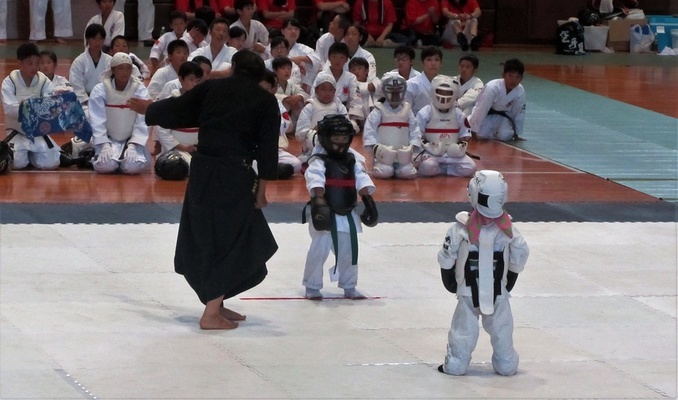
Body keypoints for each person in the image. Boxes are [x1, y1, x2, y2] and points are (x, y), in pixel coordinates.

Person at [129, 50, 280, 330]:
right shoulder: (266, 100)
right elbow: (268, 150)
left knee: (210, 234)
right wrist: (262, 190)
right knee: (232, 239)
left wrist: (149, 109)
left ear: (234, 67)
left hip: (203, 169)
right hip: (235, 174)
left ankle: (217, 303)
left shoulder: (213, 88)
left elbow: (179, 108)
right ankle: (211, 312)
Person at [437, 170, 529, 376]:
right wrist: (511, 277)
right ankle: (506, 363)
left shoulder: (460, 229)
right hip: (497, 291)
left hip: (469, 291)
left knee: (464, 329)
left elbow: (447, 255)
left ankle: (456, 363)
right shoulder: (508, 231)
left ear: (473, 194)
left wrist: (448, 277)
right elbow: (521, 254)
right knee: (501, 329)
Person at [302, 114, 377, 300]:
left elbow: (361, 177)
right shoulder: (319, 159)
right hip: (325, 211)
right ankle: (312, 286)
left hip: (347, 211)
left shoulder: (352, 159)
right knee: (319, 250)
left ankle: (349, 285)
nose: (341, 143)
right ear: (325, 138)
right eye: (336, 138)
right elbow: (315, 179)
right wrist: (319, 203)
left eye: (344, 138)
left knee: (349, 251)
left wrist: (368, 200)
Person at [88, 52, 151, 174]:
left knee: (132, 167)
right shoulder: (101, 89)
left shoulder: (139, 89)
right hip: (108, 138)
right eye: (121, 68)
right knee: (105, 166)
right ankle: (109, 156)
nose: (125, 72)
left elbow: (142, 119)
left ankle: (124, 158)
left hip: (131, 138)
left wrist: (133, 144)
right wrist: (104, 143)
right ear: (113, 70)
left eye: (128, 68)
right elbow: (96, 119)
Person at [1, 43, 59, 170]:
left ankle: (32, 154)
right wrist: (33, 107)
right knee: (17, 163)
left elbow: (50, 105)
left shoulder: (44, 81)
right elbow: (9, 109)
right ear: (20, 63)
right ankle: (26, 154)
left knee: (51, 162)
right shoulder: (10, 82)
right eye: (30, 63)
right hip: (16, 131)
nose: (34, 67)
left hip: (37, 131)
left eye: (37, 63)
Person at [362, 71, 421, 179]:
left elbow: (415, 131)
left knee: (408, 173)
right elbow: (369, 131)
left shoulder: (407, 110)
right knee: (385, 172)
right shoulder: (379, 110)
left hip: (404, 155)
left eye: (398, 90)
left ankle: (402, 166)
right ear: (383, 90)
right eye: (391, 90)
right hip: (383, 155)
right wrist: (375, 149)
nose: (395, 95)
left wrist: (413, 147)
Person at [416, 74, 476, 177]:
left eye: (448, 93)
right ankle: (442, 168)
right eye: (440, 92)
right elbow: (417, 135)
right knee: (427, 167)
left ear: (454, 94)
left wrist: (459, 146)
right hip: (431, 153)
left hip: (453, 154)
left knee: (471, 167)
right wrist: (429, 146)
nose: (444, 96)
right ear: (433, 92)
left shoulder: (458, 114)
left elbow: (465, 136)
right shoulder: (425, 112)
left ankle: (441, 170)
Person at [154, 61, 204, 180]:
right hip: (177, 150)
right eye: (191, 80)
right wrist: (183, 147)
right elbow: (162, 131)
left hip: (200, 150)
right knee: (175, 166)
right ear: (181, 79)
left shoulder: (205, 103)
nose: (195, 84)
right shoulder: (170, 102)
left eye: (198, 81)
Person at [295, 71, 352, 163]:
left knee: (355, 159)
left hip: (337, 145)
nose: (327, 93)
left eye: (330, 90)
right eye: (323, 89)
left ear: (334, 91)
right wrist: (314, 130)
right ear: (316, 90)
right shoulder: (310, 107)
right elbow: (299, 134)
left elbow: (347, 126)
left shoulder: (339, 107)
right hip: (315, 145)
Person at [467, 58, 526, 142]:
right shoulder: (492, 87)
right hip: (486, 115)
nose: (513, 80)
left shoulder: (520, 91)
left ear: (521, 78)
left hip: (502, 117)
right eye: (510, 76)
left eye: (517, 77)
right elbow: (481, 109)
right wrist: (473, 132)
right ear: (503, 75)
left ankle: (494, 132)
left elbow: (518, 112)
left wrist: (516, 133)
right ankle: (470, 122)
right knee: (480, 134)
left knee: (506, 135)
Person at [260, 69, 301, 179]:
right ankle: (268, 170)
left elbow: (287, 124)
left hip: (271, 148)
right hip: (252, 149)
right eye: (260, 89)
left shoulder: (275, 102)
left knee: (296, 164)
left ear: (272, 89)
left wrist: (269, 128)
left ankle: (267, 170)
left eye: (267, 89)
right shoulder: (248, 101)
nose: (263, 93)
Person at [70, 24, 112, 107]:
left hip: (106, 101)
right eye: (94, 38)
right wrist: (86, 102)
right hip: (84, 102)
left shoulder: (110, 61)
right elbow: (76, 85)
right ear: (87, 39)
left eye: (100, 39)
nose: (97, 42)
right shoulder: (79, 62)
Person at [319, 42, 363, 121]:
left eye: (341, 57)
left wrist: (352, 118)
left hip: (344, 114)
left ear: (346, 59)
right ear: (329, 58)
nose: (337, 60)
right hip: (323, 111)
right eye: (334, 57)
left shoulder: (351, 78)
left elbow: (355, 100)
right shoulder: (321, 76)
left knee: (353, 126)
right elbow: (314, 96)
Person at [405, 45, 442, 115]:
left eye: (437, 60)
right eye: (429, 60)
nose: (433, 63)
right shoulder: (411, 85)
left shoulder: (446, 84)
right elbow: (406, 112)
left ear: (441, 64)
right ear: (422, 63)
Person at [272, 56, 308, 127]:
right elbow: (269, 95)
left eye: (289, 68)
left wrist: (298, 97)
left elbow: (304, 94)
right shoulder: (270, 83)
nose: (287, 71)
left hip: (291, 117)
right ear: (275, 70)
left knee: (301, 103)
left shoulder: (291, 83)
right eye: (283, 68)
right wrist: (286, 99)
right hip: (275, 115)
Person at [349, 56, 380, 128]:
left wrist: (371, 87)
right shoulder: (349, 82)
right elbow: (365, 88)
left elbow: (379, 86)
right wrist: (368, 87)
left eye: (359, 68)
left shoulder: (373, 79)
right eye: (353, 69)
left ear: (366, 70)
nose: (356, 72)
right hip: (355, 114)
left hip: (373, 113)